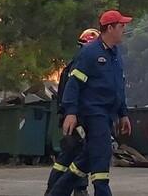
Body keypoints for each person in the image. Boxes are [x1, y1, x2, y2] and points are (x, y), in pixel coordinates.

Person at [49, 10, 133, 196]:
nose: (124, 29)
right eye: (121, 26)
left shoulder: (115, 54)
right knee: (102, 156)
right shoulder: (89, 53)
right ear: (110, 28)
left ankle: (56, 193)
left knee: (86, 159)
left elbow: (118, 87)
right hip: (94, 113)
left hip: (109, 114)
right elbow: (73, 85)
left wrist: (123, 113)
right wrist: (70, 112)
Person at [44, 28, 100, 196]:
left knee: (68, 156)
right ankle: (78, 189)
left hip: (73, 116)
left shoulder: (73, 64)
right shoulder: (80, 65)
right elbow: (74, 92)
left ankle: (53, 190)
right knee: (79, 155)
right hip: (78, 118)